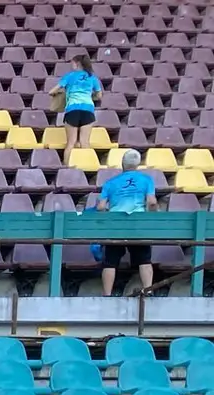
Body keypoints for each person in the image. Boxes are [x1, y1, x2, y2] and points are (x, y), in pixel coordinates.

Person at [95, 152, 159, 296]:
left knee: (110, 261)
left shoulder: (110, 182)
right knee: (144, 259)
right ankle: (148, 290)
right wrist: (152, 215)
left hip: (116, 224)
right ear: (137, 164)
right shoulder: (146, 180)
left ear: (122, 164)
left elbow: (100, 207)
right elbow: (152, 202)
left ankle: (107, 294)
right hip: (138, 224)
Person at [51, 54, 102, 166]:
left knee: (71, 143)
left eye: (72, 63)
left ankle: (66, 166)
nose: (71, 65)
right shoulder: (92, 77)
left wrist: (60, 93)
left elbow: (52, 91)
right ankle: (87, 166)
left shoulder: (69, 76)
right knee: (85, 142)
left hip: (72, 109)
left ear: (77, 63)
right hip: (88, 110)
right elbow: (99, 96)